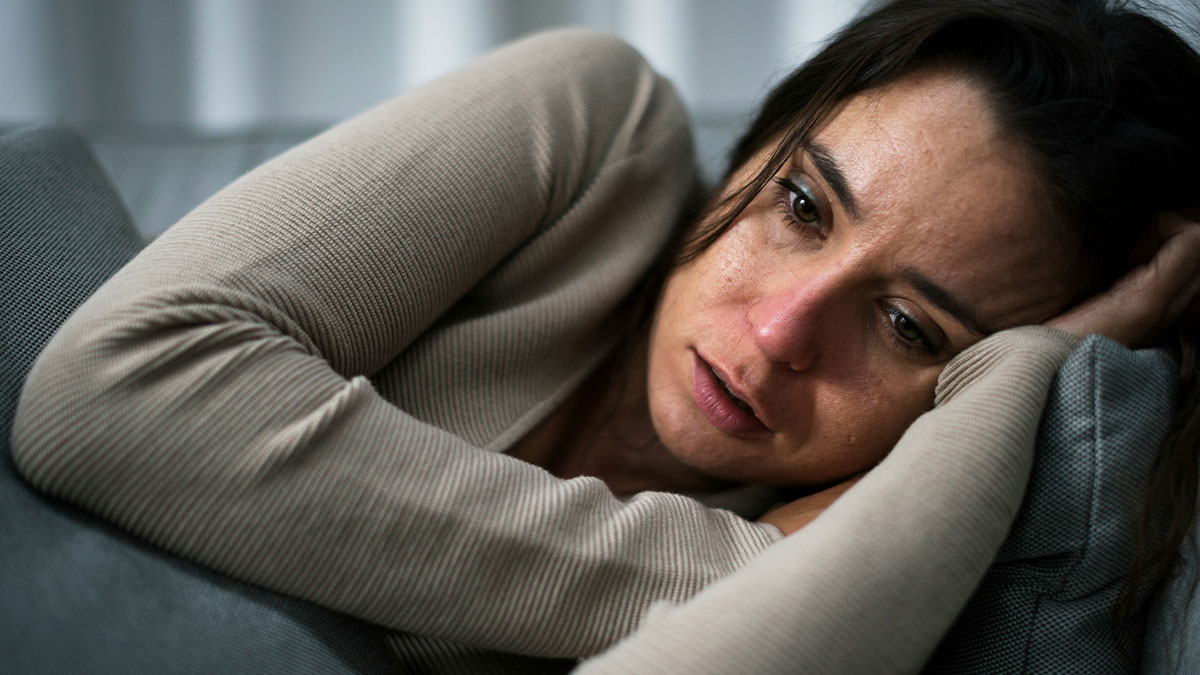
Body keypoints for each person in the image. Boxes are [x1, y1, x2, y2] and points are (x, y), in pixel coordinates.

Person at [11, 0, 1200, 671]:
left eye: (905, 326)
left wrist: (1026, 379)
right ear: (759, 144)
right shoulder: (598, 132)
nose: (782, 330)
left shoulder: (872, 546)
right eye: (799, 206)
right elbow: (109, 389)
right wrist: (729, 570)